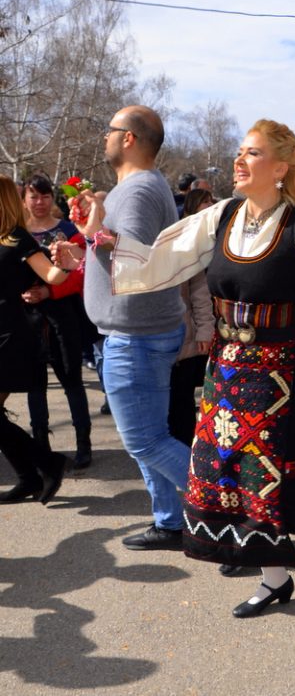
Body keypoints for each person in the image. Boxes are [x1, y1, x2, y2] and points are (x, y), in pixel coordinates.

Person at [64, 119, 295, 618]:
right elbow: (159, 259)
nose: (239, 161)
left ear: (281, 167)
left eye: (253, 153)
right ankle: (274, 578)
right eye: (239, 152)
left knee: (285, 483)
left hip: (282, 376)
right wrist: (98, 236)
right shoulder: (220, 216)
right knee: (238, 480)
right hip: (227, 370)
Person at [74, 105, 193, 551]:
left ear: (129, 139)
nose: (103, 136)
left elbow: (136, 261)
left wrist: (92, 232)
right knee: (150, 436)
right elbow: (119, 252)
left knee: (146, 441)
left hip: (137, 337)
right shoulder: (133, 188)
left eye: (109, 130)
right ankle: (169, 522)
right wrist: (87, 242)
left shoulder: (140, 190)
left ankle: (230, 509)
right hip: (136, 333)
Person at [0, 175, 70, 505]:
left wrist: (66, 263)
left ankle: (45, 464)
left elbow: (52, 275)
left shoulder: (18, 239)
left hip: (11, 336)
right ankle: (32, 475)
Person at [21, 174, 93, 469]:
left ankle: (83, 445)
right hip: (27, 318)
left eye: (45, 196)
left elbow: (81, 273)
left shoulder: (67, 229)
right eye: (33, 197)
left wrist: (49, 291)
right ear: (24, 200)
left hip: (64, 316)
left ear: (53, 198)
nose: (40, 202)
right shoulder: (16, 232)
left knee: (72, 380)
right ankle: (41, 448)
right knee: (35, 385)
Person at [167, 188, 217, 446]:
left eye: (210, 201)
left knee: (183, 403)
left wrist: (205, 330)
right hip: (153, 342)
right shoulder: (158, 239)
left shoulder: (188, 243)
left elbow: (199, 291)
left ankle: (186, 459)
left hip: (185, 339)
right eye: (203, 202)